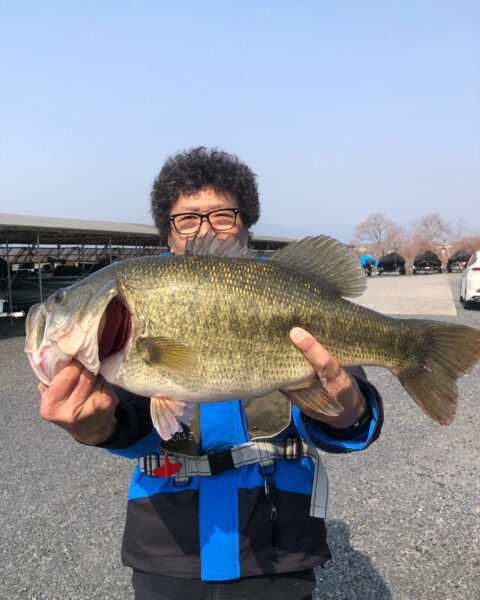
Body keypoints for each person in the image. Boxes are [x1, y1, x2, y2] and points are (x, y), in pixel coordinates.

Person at [39, 147, 383, 600]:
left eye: (222, 215)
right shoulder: (132, 318)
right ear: (168, 235)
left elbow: (353, 413)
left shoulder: (284, 291)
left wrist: (349, 413)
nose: (204, 228)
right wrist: (97, 428)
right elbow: (131, 422)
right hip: (167, 545)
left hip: (279, 544)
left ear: (246, 226)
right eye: (187, 218)